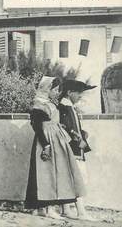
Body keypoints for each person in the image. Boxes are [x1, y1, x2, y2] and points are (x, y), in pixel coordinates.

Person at [25, 76, 86, 219]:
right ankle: (46, 208)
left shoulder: (52, 104)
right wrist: (45, 145)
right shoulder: (39, 105)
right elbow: (38, 127)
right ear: (47, 89)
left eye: (58, 90)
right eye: (55, 89)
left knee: (55, 174)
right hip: (46, 141)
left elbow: (56, 122)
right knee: (45, 174)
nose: (57, 92)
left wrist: (70, 133)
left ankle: (47, 208)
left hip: (57, 140)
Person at [58, 80, 98, 221]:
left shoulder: (69, 107)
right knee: (78, 179)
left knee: (73, 178)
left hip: (76, 150)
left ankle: (66, 209)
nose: (80, 96)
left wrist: (82, 134)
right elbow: (64, 128)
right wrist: (78, 139)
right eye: (78, 93)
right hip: (72, 150)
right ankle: (80, 211)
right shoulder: (63, 107)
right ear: (69, 93)